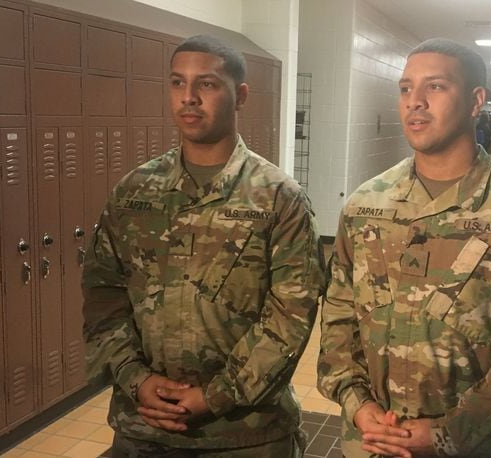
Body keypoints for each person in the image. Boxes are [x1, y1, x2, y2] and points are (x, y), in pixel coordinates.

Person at [318, 37, 491, 458]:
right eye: (406, 89)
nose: (415, 102)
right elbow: (338, 316)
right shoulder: (367, 205)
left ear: (476, 100)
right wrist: (358, 406)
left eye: (435, 87)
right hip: (371, 442)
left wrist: (448, 433)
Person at [82, 34, 324, 457]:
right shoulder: (135, 192)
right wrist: (136, 378)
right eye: (178, 83)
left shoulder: (277, 197)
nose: (189, 97)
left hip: (245, 433)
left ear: (240, 94)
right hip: (144, 430)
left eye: (207, 84)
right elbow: (104, 294)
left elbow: (293, 314)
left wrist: (217, 394)